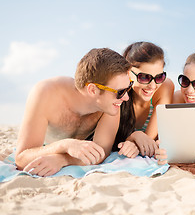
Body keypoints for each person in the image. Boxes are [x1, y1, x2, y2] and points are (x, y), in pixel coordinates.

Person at [15, 48, 139, 177]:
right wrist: (65, 145)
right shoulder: (45, 94)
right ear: (92, 90)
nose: (126, 98)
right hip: (47, 146)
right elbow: (21, 159)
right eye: (120, 92)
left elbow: (101, 152)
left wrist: (63, 159)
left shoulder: (110, 106)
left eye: (128, 88)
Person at [114, 42, 174, 157]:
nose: (152, 86)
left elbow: (147, 143)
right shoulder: (118, 92)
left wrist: (135, 138)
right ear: (128, 72)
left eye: (159, 77)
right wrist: (134, 137)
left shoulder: (165, 87)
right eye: (144, 77)